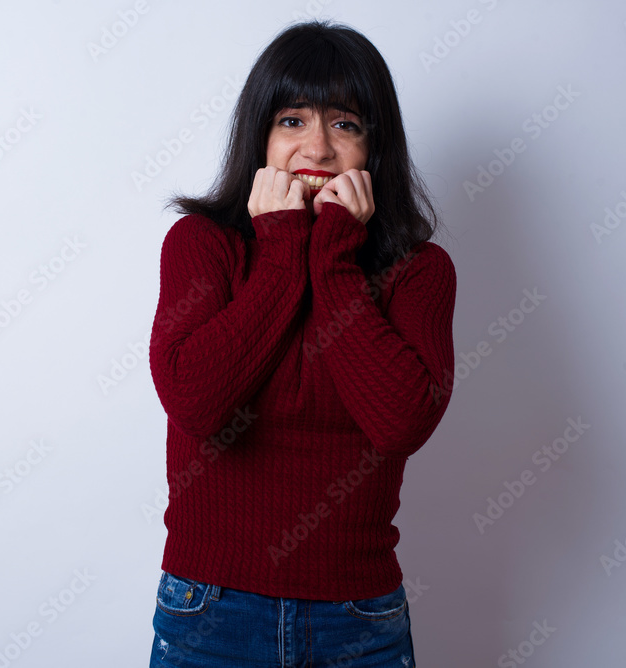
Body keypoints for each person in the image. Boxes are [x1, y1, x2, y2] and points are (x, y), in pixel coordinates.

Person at [147, 19, 456, 667]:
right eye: (292, 120)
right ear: (259, 134)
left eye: (344, 124)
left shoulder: (418, 273)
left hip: (357, 619)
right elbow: (198, 405)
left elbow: (400, 421)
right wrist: (284, 250)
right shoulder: (201, 247)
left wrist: (334, 259)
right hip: (210, 609)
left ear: (375, 148)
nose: (316, 147)